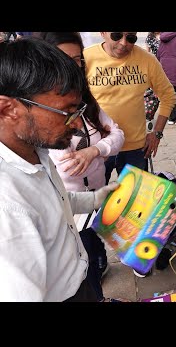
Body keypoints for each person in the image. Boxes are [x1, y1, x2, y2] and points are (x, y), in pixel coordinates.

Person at [0, 38, 119, 301]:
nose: (77, 126)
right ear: (9, 109)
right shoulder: (7, 207)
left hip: (79, 282)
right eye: (67, 112)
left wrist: (95, 199)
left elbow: (51, 203)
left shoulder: (35, 151)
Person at [36, 32, 126, 302]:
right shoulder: (42, 113)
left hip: (95, 197)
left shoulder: (87, 103)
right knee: (82, 266)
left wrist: (94, 151)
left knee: (98, 250)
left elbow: (117, 134)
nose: (72, 67)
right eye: (63, 59)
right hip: (70, 212)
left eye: (77, 59)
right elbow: (63, 166)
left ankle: (100, 269)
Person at [83, 32, 176, 184]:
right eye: (116, 36)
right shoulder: (86, 57)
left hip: (135, 148)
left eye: (131, 38)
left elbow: (168, 95)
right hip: (97, 147)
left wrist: (157, 133)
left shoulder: (146, 60)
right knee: (95, 201)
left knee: (135, 202)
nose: (123, 43)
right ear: (103, 33)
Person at [156, 32, 176, 125]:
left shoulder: (163, 38)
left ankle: (170, 117)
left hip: (164, 68)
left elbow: (158, 54)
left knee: (169, 93)